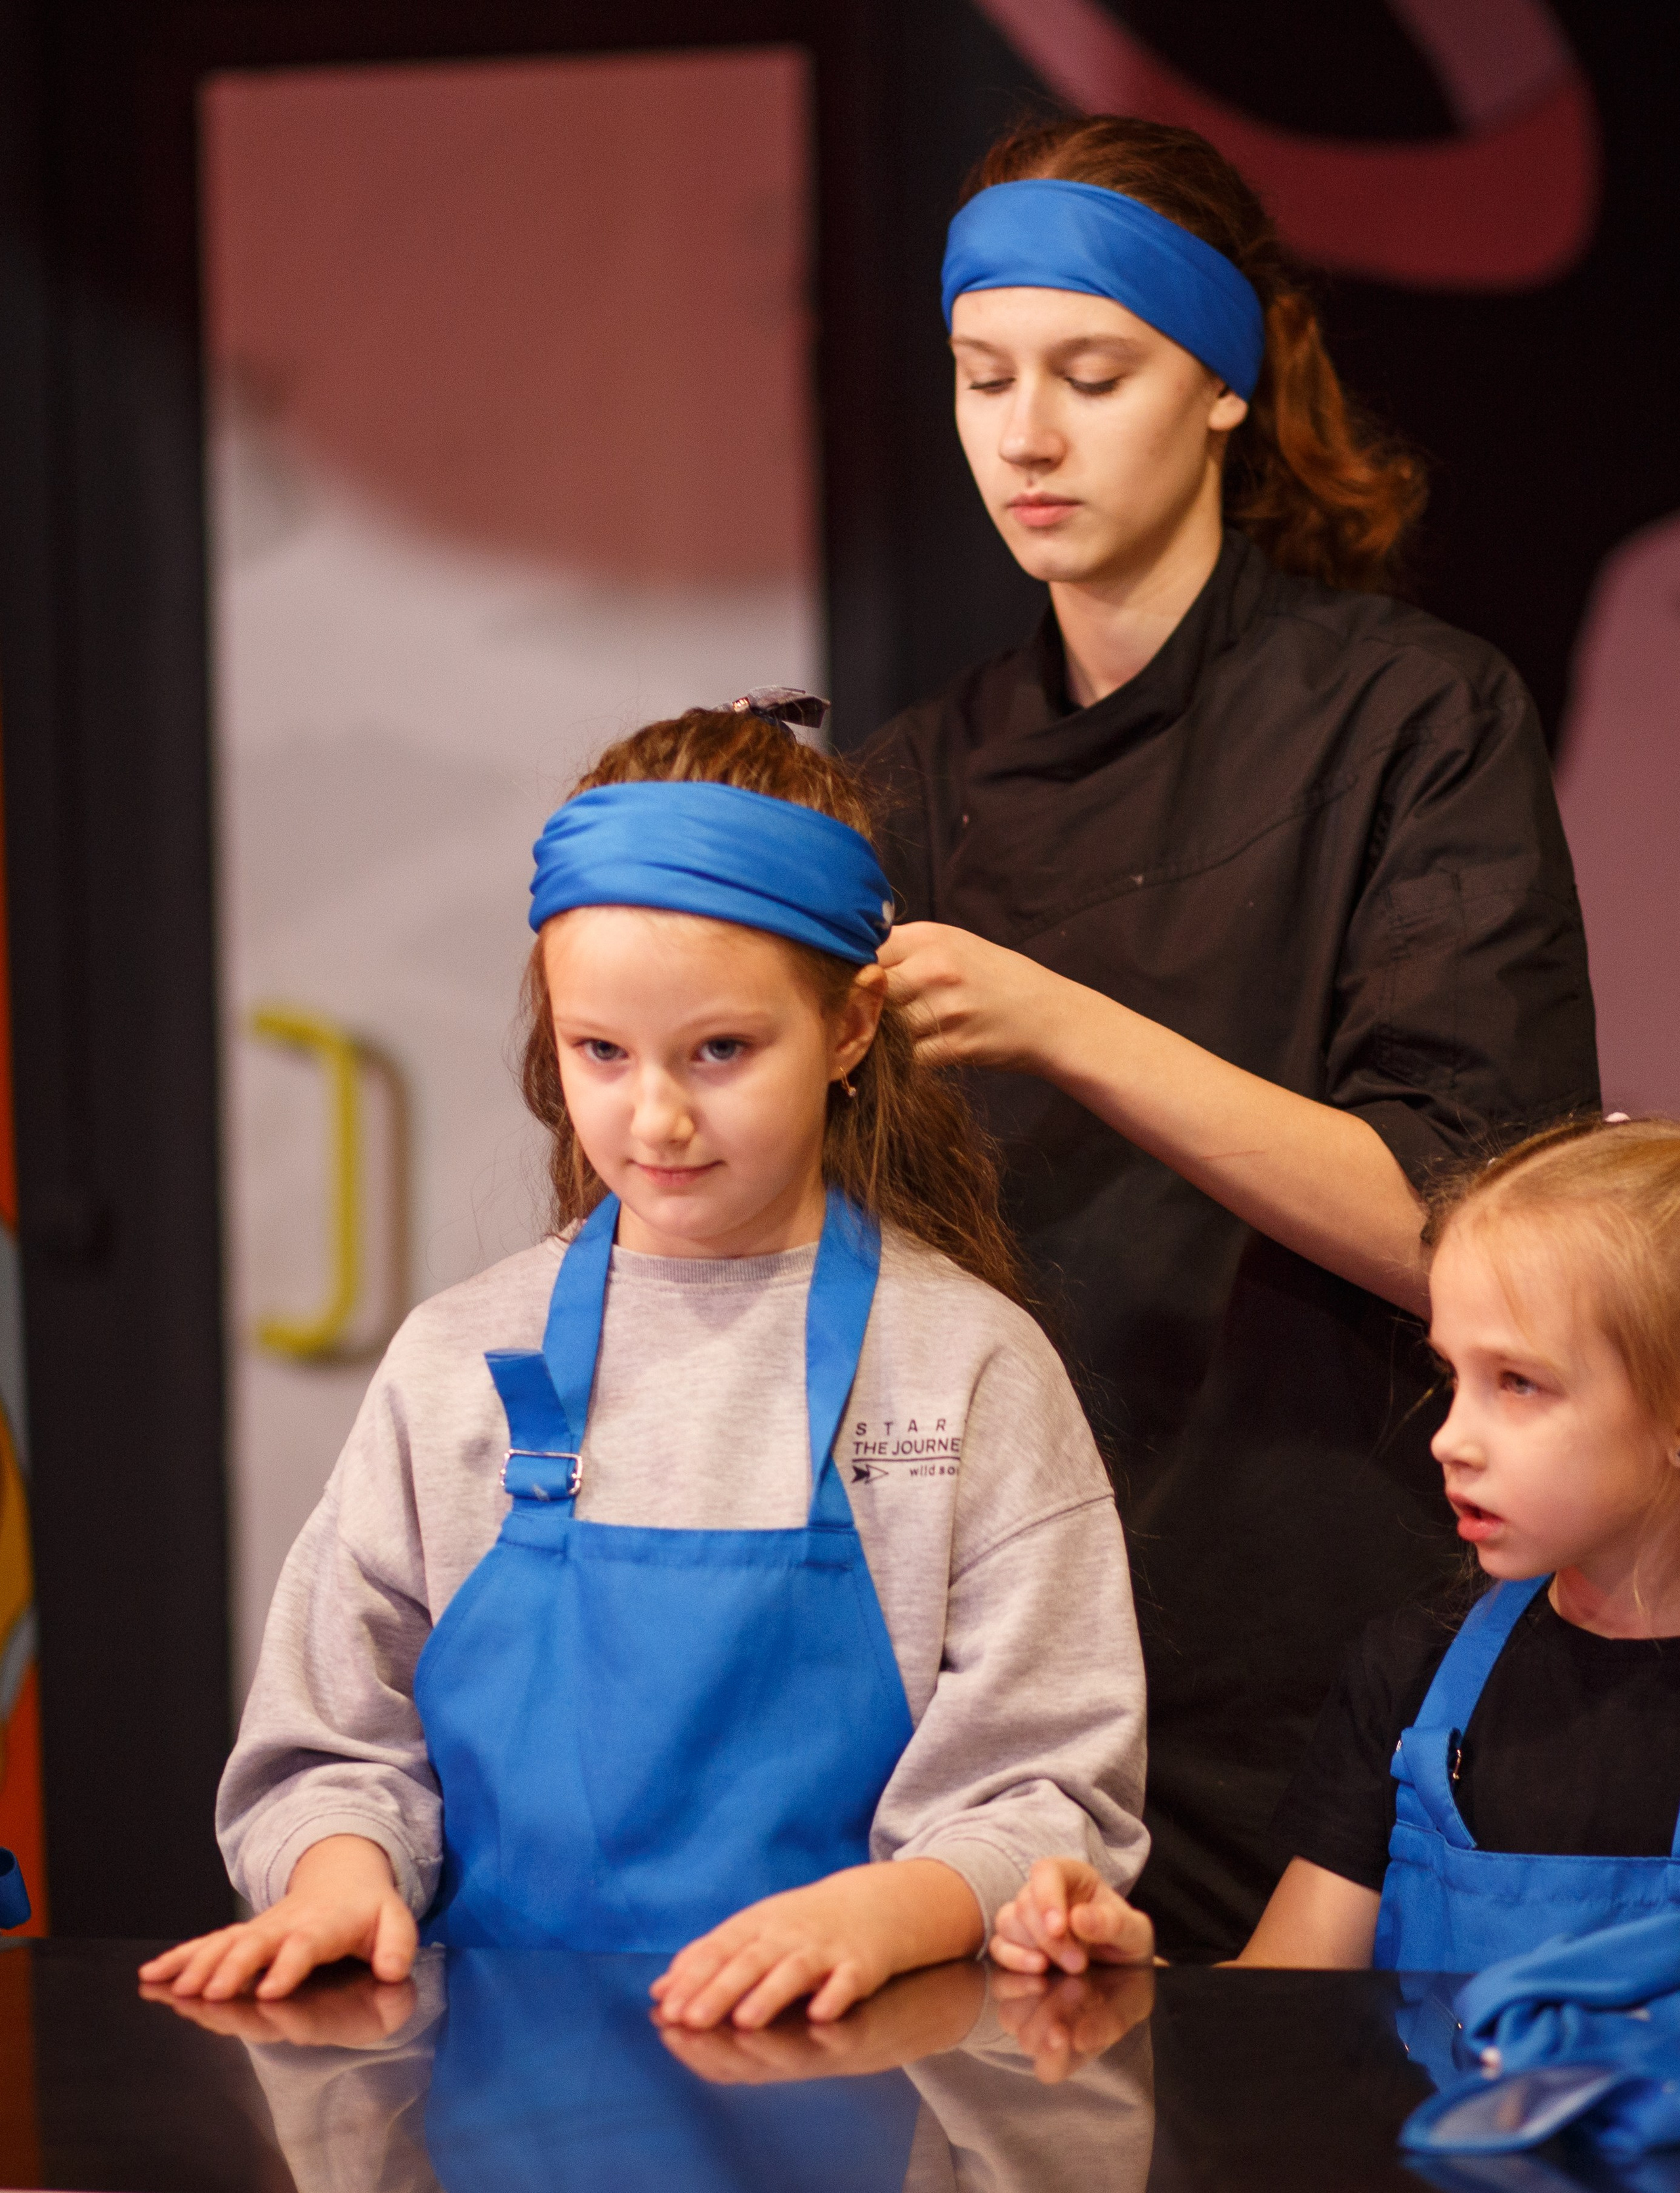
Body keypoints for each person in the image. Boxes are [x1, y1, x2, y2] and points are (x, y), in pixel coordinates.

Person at [865, 115, 1599, 1959]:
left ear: (1222, 385)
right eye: (983, 376)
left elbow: (1469, 1213)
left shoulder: (1413, 719)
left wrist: (1058, 1019)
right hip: (1002, 1677)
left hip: (1335, 1641)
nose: (1025, 434)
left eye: (1091, 374)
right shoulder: (907, 785)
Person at [141, 704, 1147, 2025]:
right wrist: (337, 1872)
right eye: (599, 1054)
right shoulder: (457, 1363)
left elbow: (1049, 1791)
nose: (656, 1117)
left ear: (849, 1030)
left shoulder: (967, 1371)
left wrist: (891, 1910)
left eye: (719, 1052)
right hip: (497, 2098)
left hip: (863, 2091)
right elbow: (334, 1738)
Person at [985, 1117, 1680, 1974]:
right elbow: (1281, 2008)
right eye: (1453, 1377)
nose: (1451, 1438)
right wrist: (1129, 1983)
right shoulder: (1412, 1675)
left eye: (1520, 1382)